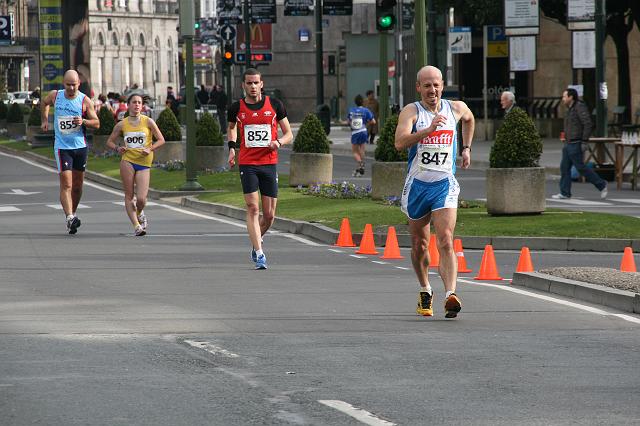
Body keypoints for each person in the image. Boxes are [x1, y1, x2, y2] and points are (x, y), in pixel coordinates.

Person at [394, 65, 475, 319]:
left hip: (444, 184)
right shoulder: (411, 111)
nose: (433, 90)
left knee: (446, 239)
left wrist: (466, 148)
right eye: (427, 85)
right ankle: (425, 289)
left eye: (436, 84)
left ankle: (451, 293)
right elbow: (399, 142)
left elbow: (470, 119)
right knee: (420, 244)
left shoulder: (456, 108)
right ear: (419, 87)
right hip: (417, 185)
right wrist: (428, 131)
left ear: (442, 85)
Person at [226, 68, 293, 269]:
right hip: (248, 163)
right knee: (253, 208)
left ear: (261, 84)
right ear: (243, 85)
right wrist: (231, 148)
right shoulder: (236, 108)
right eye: (249, 83)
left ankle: (256, 241)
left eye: (256, 83)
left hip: (269, 163)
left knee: (270, 215)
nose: (253, 87)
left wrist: (279, 143)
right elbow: (230, 128)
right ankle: (260, 252)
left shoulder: (274, 105)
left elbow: (289, 133)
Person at [40, 69, 100, 234]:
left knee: (78, 186)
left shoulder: (84, 100)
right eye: (68, 85)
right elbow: (44, 103)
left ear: (79, 84)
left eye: (74, 85)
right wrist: (45, 120)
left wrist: (84, 121)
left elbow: (97, 123)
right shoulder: (55, 95)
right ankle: (69, 217)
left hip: (80, 147)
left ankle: (72, 214)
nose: (71, 88)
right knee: (67, 183)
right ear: (63, 84)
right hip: (62, 147)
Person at [105, 93, 165, 236]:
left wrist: (149, 148)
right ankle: (137, 226)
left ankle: (139, 212)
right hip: (128, 161)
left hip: (144, 162)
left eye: (139, 102)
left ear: (142, 105)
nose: (137, 105)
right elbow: (109, 141)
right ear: (129, 104)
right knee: (129, 195)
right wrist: (118, 148)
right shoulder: (122, 124)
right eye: (134, 102)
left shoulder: (148, 121)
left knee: (142, 199)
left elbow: (161, 139)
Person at [552, 88, 607, 200]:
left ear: (571, 97)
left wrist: (584, 141)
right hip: (568, 143)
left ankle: (601, 184)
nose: (563, 99)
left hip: (576, 143)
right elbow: (571, 126)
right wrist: (565, 136)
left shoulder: (579, 107)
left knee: (580, 167)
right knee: (564, 168)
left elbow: (587, 124)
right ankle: (565, 192)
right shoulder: (570, 109)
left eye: (564, 96)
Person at [347, 94, 375, 177]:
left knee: (355, 151)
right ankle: (360, 167)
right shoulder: (366, 110)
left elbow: (349, 122)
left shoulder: (351, 110)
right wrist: (366, 123)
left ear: (355, 102)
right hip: (363, 131)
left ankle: (360, 164)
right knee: (362, 149)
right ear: (362, 102)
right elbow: (373, 121)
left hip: (355, 132)